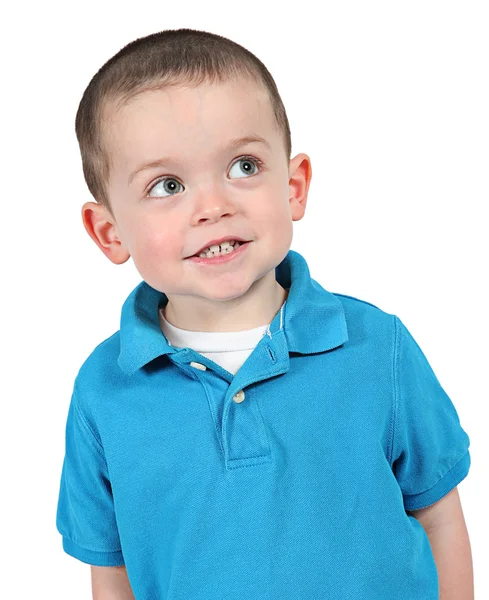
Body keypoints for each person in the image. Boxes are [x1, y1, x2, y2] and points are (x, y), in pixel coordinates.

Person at [55, 28, 473, 600]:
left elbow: (439, 516)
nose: (214, 205)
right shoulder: (104, 391)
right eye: (167, 184)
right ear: (109, 232)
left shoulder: (378, 348)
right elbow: (112, 570)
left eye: (244, 166)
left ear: (295, 185)